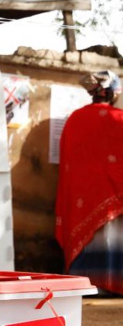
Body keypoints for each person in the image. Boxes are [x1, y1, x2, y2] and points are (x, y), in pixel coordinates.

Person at [56, 70, 123, 295]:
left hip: (80, 198)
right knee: (113, 238)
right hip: (114, 194)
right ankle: (113, 284)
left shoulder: (74, 119)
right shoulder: (119, 120)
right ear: (113, 93)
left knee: (86, 238)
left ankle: (83, 285)